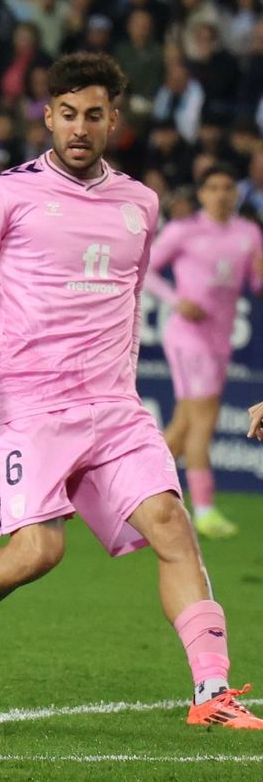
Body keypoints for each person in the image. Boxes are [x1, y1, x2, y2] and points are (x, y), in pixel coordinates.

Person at [0, 53, 261, 730]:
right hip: (30, 406)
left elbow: (127, 298)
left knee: (173, 526)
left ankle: (211, 692)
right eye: (68, 113)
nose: (80, 127)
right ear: (47, 115)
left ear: (113, 120)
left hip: (115, 406)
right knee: (37, 551)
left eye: (94, 114)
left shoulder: (141, 204)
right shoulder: (5, 194)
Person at [145, 165, 263, 540]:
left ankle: (133, 495)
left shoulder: (249, 233)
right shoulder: (184, 231)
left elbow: (256, 284)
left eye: (228, 187)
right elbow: (145, 268)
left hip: (220, 337)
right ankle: (205, 508)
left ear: (236, 193)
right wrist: (176, 300)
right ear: (201, 195)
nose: (222, 194)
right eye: (213, 187)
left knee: (181, 426)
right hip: (187, 335)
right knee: (203, 417)